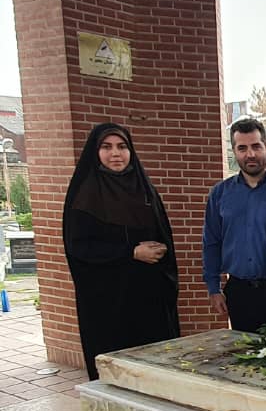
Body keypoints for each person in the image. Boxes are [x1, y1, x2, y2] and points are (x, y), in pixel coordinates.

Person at [62, 123, 180, 380]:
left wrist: (161, 249)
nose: (115, 153)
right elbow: (79, 247)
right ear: (96, 152)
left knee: (155, 370)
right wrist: (131, 252)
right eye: (106, 147)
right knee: (117, 372)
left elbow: (162, 232)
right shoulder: (85, 195)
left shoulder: (144, 188)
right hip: (109, 302)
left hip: (149, 298)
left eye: (122, 146)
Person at [202, 118, 266, 331]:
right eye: (242, 148)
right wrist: (213, 288)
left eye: (256, 146)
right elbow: (211, 242)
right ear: (234, 152)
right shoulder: (220, 194)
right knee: (242, 349)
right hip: (239, 292)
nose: (250, 154)